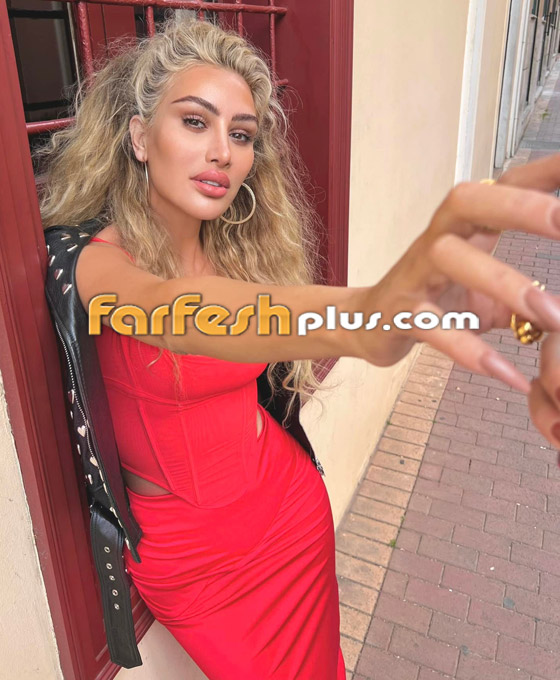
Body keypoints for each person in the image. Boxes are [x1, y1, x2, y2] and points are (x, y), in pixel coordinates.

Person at [37, 14, 560, 680]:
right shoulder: (93, 266)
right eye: (195, 122)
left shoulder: (238, 254)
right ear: (140, 136)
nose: (222, 152)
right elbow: (177, 312)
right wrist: (365, 314)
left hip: (289, 508)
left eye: (241, 134)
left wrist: (472, 313)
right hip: (197, 564)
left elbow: (273, 317)